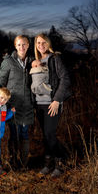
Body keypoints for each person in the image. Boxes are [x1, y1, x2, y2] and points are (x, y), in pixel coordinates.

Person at [0, 35, 34, 170]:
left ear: (28, 45)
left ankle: (23, 163)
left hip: (27, 105)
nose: (22, 47)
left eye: (24, 44)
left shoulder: (32, 61)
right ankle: (13, 161)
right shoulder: (9, 61)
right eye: (19, 44)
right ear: (15, 46)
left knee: (24, 133)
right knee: (13, 133)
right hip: (12, 104)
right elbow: (0, 81)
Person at [32, 33, 71, 177]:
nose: (41, 45)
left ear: (48, 44)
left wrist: (57, 100)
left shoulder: (55, 58)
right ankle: (48, 164)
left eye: (44, 42)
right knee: (45, 135)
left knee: (50, 133)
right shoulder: (36, 61)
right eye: (38, 43)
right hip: (39, 103)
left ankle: (61, 162)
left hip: (52, 103)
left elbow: (65, 79)